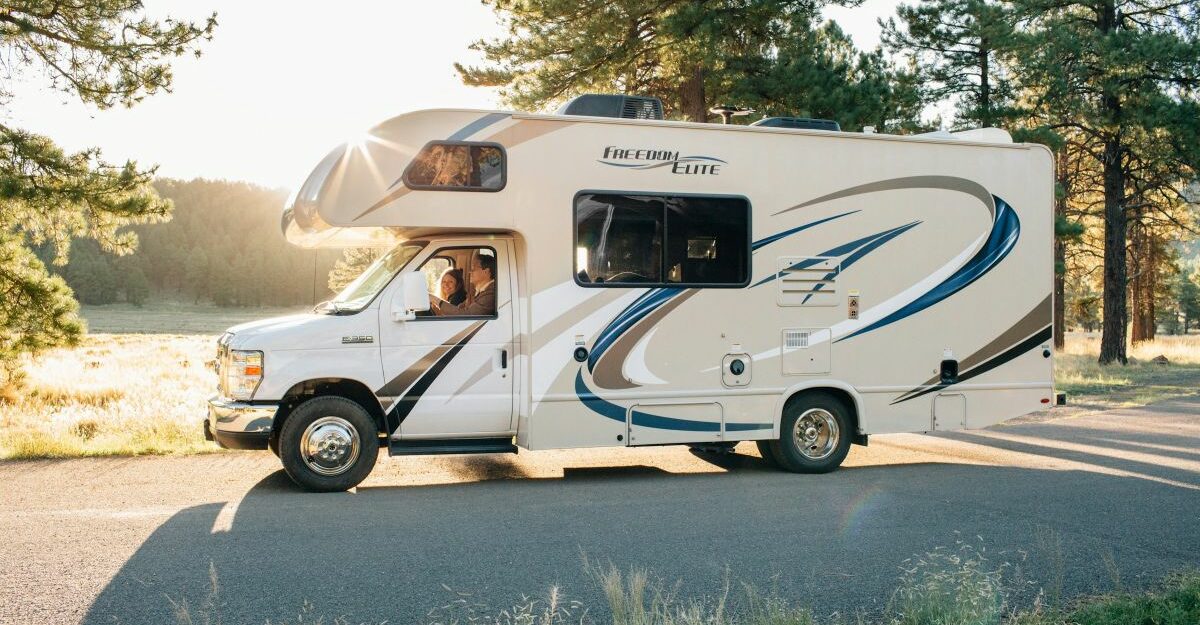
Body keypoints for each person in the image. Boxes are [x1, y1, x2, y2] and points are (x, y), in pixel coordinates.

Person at [432, 253, 496, 316]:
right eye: (443, 281)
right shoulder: (479, 291)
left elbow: (467, 315)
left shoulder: (491, 293)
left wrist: (435, 300)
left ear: (486, 271)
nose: (470, 272)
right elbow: (460, 309)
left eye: (473, 269)